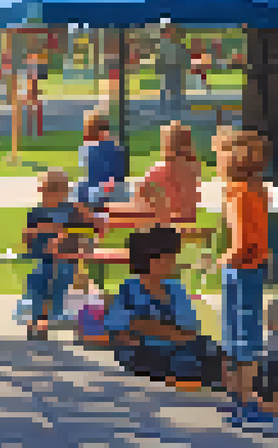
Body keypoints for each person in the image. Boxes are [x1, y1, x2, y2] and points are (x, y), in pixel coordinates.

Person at [105, 226, 225, 391]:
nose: (173, 264)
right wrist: (153, 329)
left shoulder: (175, 288)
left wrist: (151, 328)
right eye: (168, 259)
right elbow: (124, 331)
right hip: (143, 354)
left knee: (208, 349)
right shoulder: (130, 289)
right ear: (150, 261)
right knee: (190, 356)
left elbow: (190, 328)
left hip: (175, 347)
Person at [216, 127, 274, 426]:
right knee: (247, 334)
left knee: (237, 336)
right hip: (255, 268)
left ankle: (241, 399)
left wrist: (223, 259)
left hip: (239, 269)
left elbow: (241, 241)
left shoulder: (236, 193)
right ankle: (243, 399)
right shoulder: (259, 189)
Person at [21, 168, 95, 341]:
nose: (46, 194)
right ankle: (40, 319)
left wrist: (63, 237)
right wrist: (35, 233)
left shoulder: (73, 211)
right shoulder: (36, 213)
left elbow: (86, 234)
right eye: (45, 189)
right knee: (37, 279)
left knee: (57, 275)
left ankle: (42, 319)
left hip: (67, 261)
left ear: (63, 191)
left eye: (52, 188)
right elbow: (28, 243)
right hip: (44, 260)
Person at [110, 121, 202, 226]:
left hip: (163, 217)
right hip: (186, 217)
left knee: (113, 207)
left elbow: (141, 191)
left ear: (167, 145)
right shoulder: (194, 168)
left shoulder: (165, 168)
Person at [77, 111, 127, 209]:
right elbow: (90, 175)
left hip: (108, 189)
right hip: (97, 189)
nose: (105, 132)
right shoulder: (88, 149)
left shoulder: (114, 148)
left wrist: (112, 183)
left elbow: (119, 174)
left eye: (105, 128)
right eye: (101, 129)